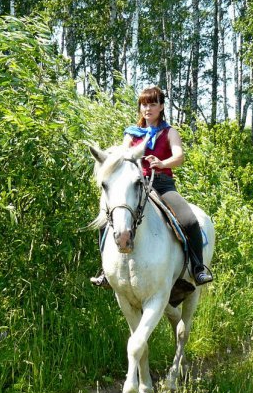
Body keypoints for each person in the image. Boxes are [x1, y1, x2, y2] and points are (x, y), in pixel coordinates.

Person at [91, 85, 213, 288]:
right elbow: (122, 158)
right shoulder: (131, 133)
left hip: (162, 184)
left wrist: (163, 163)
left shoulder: (169, 132)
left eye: (152, 104)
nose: (147, 109)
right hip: (135, 185)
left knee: (189, 221)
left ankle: (198, 268)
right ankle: (106, 270)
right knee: (106, 219)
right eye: (143, 104)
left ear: (161, 106)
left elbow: (179, 156)